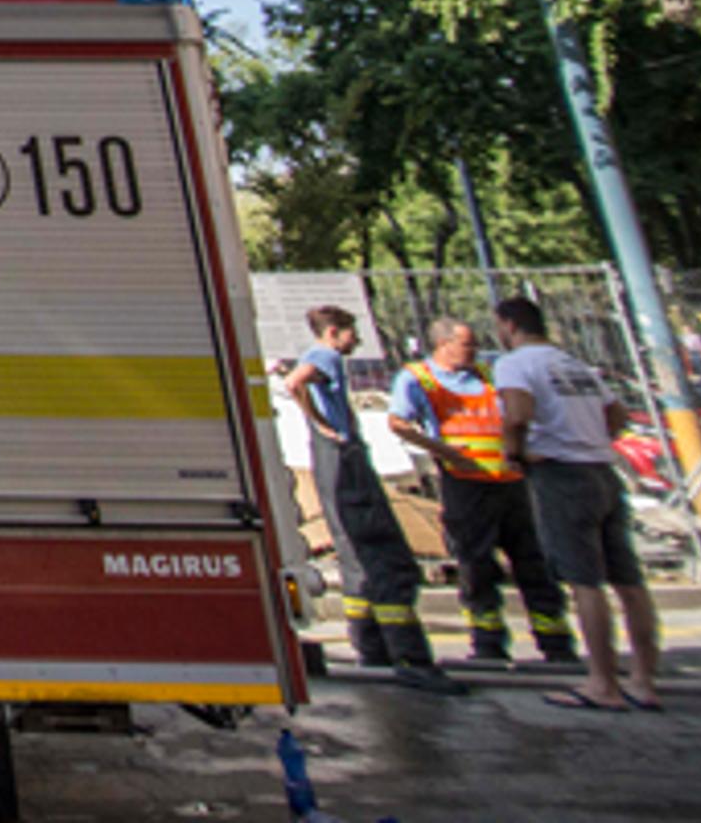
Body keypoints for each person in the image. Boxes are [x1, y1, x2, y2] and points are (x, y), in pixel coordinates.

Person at [492, 296, 661, 713]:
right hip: (602, 471)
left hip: (561, 473)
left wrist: (517, 453)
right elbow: (617, 413)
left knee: (585, 582)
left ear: (509, 326)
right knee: (629, 581)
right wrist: (592, 439)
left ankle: (602, 681)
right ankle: (643, 680)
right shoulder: (572, 364)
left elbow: (517, 413)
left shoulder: (515, 363)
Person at [283, 305, 461, 693]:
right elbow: (295, 382)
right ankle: (410, 657)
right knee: (385, 557)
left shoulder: (323, 357)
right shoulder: (324, 355)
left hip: (335, 468)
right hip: (346, 464)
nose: (357, 340)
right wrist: (324, 426)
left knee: (356, 561)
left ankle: (372, 649)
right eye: (351, 332)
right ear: (333, 331)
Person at [389, 318, 577, 666]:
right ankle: (488, 643)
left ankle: (556, 641)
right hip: (466, 482)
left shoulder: (488, 375)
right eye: (466, 345)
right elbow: (399, 422)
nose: (473, 351)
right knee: (476, 564)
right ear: (443, 345)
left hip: (511, 481)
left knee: (534, 563)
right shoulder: (418, 379)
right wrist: (444, 451)